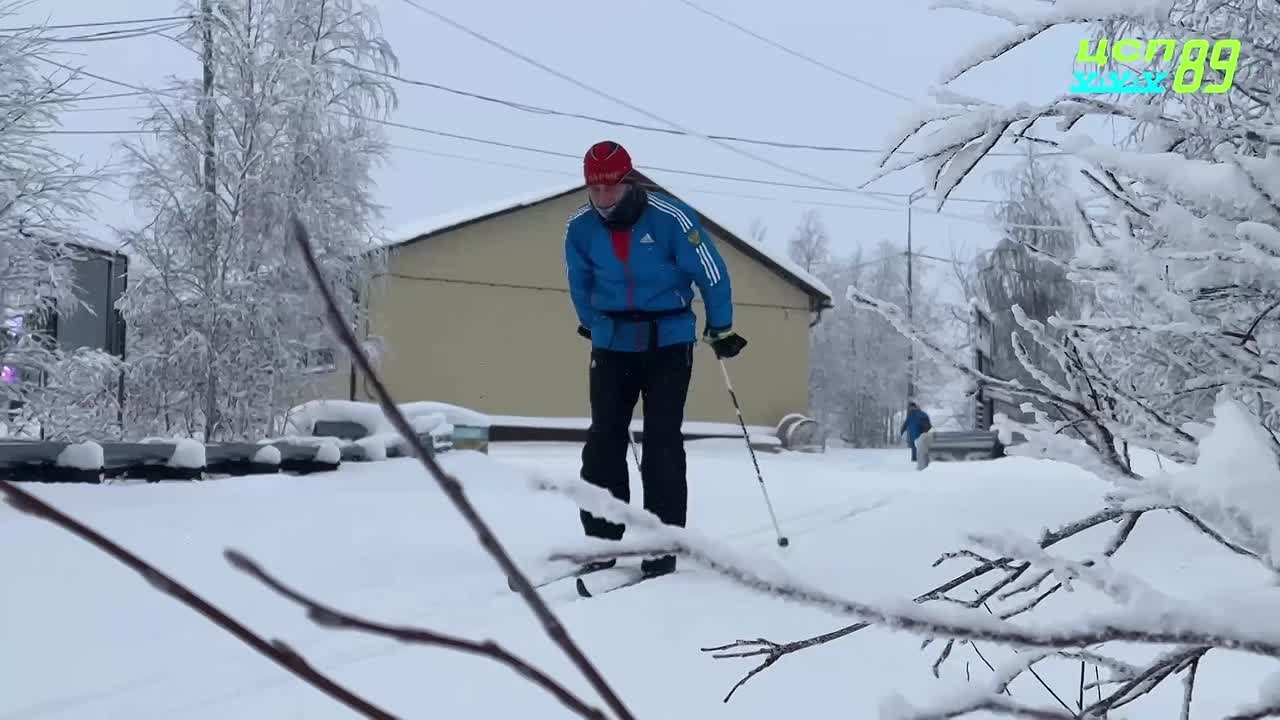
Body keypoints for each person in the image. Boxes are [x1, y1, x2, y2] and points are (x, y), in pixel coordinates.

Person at [564, 140, 747, 578]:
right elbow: (579, 281)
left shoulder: (671, 219)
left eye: (611, 188)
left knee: (662, 441)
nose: (604, 198)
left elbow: (713, 274)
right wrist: (591, 323)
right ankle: (601, 540)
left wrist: (720, 327)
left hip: (668, 342)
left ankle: (661, 544)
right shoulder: (580, 228)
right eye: (595, 189)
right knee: (603, 440)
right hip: (611, 343)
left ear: (628, 182)